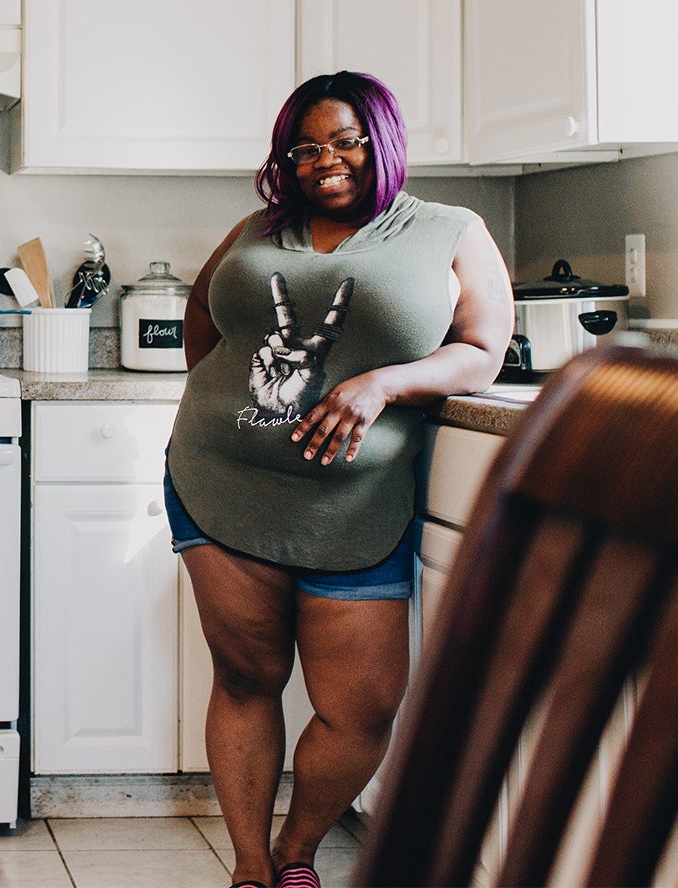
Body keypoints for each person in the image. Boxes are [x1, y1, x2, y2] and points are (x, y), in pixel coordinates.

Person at [165, 71, 513, 888]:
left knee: (361, 708)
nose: (328, 160)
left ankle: (298, 848)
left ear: (382, 140)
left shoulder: (448, 230)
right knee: (247, 676)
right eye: (307, 147)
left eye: (347, 140)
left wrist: (383, 383)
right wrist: (237, 414)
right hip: (222, 484)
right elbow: (203, 314)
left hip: (358, 501)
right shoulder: (260, 228)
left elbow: (483, 348)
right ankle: (253, 866)